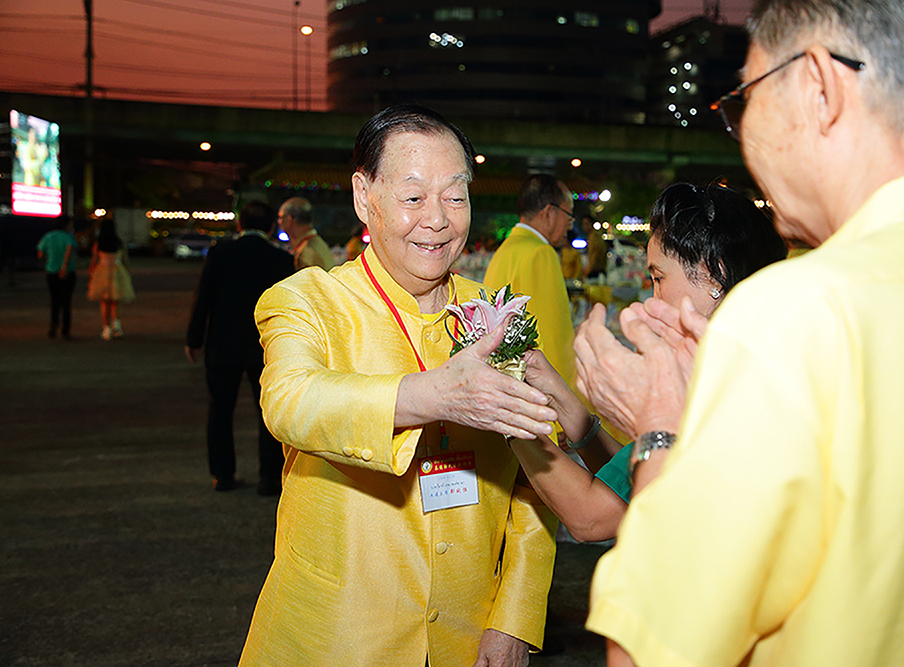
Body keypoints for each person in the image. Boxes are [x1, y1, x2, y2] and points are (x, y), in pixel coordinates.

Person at [579, 2, 904, 666]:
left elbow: (649, 651)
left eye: (744, 100)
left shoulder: (794, 315)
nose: (741, 131)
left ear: (818, 86)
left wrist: (660, 433)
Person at [240, 104, 559, 667]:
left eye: (455, 197)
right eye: (413, 197)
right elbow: (290, 400)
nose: (437, 220)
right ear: (365, 197)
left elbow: (540, 479)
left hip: (468, 636)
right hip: (338, 637)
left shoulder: (494, 315)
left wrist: (515, 618)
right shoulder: (307, 300)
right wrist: (433, 396)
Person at [510, 183, 787, 542]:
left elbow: (591, 517)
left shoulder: (723, 379)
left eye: (658, 278)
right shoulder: (750, 353)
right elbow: (636, 473)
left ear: (714, 274)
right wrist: (560, 397)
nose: (651, 299)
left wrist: (505, 413)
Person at [184, 202, 294, 495]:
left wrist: (194, 339)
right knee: (267, 412)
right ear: (271, 226)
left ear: (239, 224)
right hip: (264, 346)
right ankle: (269, 478)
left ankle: (223, 475)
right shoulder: (281, 259)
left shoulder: (220, 254)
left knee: (220, 410)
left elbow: (203, 298)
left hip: (223, 345)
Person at [484, 174, 577, 388]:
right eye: (569, 215)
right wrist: (572, 400)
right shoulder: (541, 254)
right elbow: (554, 339)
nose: (570, 225)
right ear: (549, 213)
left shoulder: (507, 249)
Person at [86, 218, 134, 341]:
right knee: (115, 301)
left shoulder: (99, 244)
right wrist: (127, 273)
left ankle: (106, 328)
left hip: (102, 271)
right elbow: (125, 260)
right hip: (117, 271)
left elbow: (94, 261)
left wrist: (91, 274)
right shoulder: (119, 243)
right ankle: (116, 325)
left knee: (104, 302)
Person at [36, 217, 78, 340]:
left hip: (51, 271)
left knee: (55, 300)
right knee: (66, 301)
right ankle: (65, 330)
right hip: (68, 272)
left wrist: (49, 261)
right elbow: (69, 250)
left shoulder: (48, 236)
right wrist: (64, 267)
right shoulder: (68, 237)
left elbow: (40, 254)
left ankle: (53, 326)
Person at [277, 196, 335, 271]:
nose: (278, 222)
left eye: (280, 217)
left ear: (289, 219)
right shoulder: (316, 244)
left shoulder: (307, 252)